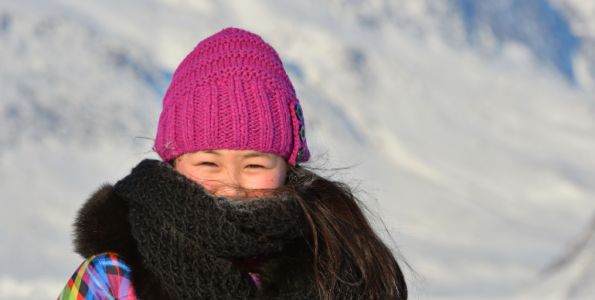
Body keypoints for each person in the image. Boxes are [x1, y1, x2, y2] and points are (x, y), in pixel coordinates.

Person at [57, 27, 408, 300]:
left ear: (288, 167)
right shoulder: (115, 276)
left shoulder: (333, 265)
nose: (231, 183)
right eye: (208, 163)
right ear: (173, 161)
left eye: (255, 165)